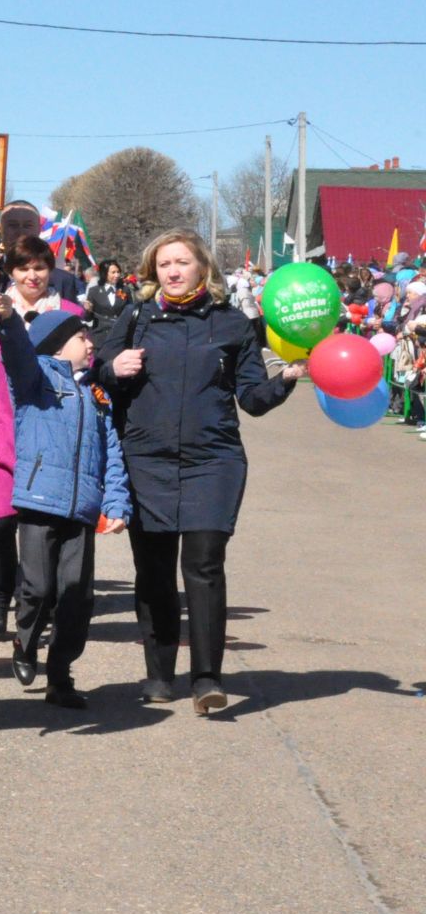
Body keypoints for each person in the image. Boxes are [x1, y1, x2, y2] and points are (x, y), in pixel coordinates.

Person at [94, 229, 302, 716]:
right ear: (153, 271)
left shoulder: (231, 324)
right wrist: (112, 367)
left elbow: (251, 399)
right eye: (164, 264)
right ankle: (160, 673)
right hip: (146, 459)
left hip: (214, 461)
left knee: (204, 565)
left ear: (202, 268)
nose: (172, 271)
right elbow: (101, 372)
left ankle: (207, 677)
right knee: (155, 571)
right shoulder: (137, 317)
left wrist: (285, 381)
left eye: (182, 262)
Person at [0, 298, 131, 708]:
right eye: (80, 336)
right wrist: (10, 321)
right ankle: (25, 643)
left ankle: (60, 676)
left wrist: (117, 503)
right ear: (55, 344)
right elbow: (16, 351)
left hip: (83, 509)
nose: (90, 342)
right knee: (37, 586)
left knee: (76, 596)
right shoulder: (35, 379)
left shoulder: (96, 393)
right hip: (39, 501)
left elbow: (112, 454)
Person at [0, 236, 85, 640]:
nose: (32, 276)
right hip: (0, 430)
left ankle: (36, 602)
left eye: (39, 267)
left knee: (40, 528)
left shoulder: (71, 313)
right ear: (10, 271)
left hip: (50, 433)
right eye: (23, 268)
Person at [0, 202, 84, 302]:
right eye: (13, 225)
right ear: (0, 229)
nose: (20, 232)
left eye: (28, 226)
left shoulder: (63, 281)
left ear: (39, 229)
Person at [87, 259, 128, 330]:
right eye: (113, 272)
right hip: (101, 333)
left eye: (118, 272)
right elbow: (88, 318)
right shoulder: (94, 291)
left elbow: (130, 311)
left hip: (121, 331)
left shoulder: (124, 290)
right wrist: (87, 310)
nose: (117, 275)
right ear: (104, 273)